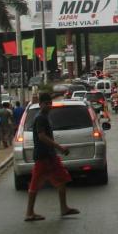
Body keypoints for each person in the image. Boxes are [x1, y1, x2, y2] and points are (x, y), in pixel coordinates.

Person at [25, 90, 79, 222]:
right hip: (43, 156)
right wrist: (59, 147)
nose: (49, 106)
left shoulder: (45, 117)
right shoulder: (40, 118)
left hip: (50, 156)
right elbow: (42, 136)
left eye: (50, 103)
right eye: (46, 103)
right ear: (41, 104)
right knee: (35, 183)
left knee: (62, 179)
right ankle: (29, 213)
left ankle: (64, 208)